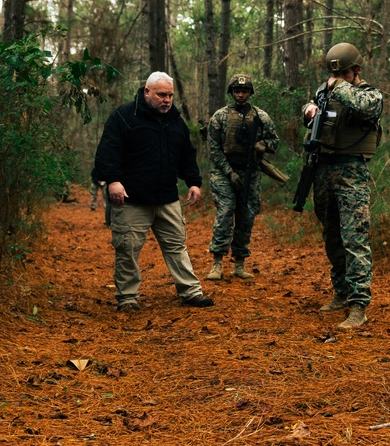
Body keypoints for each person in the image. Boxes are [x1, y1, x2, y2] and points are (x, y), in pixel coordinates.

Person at [92, 72, 213, 311]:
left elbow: (187, 155)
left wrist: (194, 182)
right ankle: (127, 298)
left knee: (177, 246)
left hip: (166, 198)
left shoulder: (175, 120)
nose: (167, 100)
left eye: (170, 95)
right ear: (147, 92)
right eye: (161, 95)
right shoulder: (124, 117)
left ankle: (191, 292)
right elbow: (108, 152)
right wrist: (113, 181)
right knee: (127, 248)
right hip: (131, 200)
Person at [302, 43, 383, 330]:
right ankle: (341, 292)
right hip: (323, 170)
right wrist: (310, 108)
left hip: (351, 173)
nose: (335, 78)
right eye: (333, 74)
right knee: (332, 236)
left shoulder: (369, 94)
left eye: (342, 73)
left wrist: (335, 87)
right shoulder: (326, 92)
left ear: (356, 71)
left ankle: (359, 304)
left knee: (354, 239)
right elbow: (311, 112)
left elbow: (366, 108)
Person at [205, 74, 280, 280]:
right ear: (231, 93)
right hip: (224, 171)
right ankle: (217, 262)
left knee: (247, 215)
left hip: (251, 172)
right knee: (226, 211)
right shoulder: (219, 117)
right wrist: (229, 172)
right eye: (237, 91)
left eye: (244, 91)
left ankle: (239, 263)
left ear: (249, 93)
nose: (240, 94)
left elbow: (274, 140)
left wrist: (263, 145)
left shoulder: (261, 117)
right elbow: (213, 149)